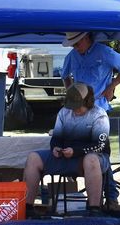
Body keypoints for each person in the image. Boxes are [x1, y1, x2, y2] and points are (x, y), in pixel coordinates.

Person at [61, 31, 120, 208]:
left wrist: (112, 86)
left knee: (97, 151)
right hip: (80, 111)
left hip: (99, 109)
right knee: (94, 153)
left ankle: (108, 196)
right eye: (73, 44)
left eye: (77, 43)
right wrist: (72, 96)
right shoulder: (73, 55)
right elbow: (65, 76)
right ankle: (106, 196)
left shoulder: (104, 52)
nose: (75, 47)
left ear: (86, 38)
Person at [22, 83, 111, 213]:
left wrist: (76, 152)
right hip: (66, 156)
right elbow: (56, 137)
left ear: (87, 102)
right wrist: (56, 148)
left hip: (93, 159)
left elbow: (99, 145)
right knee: (33, 158)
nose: (74, 109)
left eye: (77, 105)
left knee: (90, 159)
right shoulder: (64, 113)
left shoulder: (99, 115)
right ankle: (27, 207)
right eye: (72, 105)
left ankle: (94, 208)